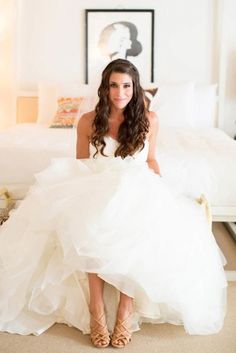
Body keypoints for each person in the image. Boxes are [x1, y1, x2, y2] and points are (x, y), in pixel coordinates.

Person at [0, 59, 227, 349]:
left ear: (135, 88)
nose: (120, 92)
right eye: (114, 86)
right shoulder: (87, 121)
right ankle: (97, 310)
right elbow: (81, 165)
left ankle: (124, 310)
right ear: (105, 88)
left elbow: (151, 158)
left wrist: (157, 183)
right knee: (92, 223)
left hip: (136, 186)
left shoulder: (150, 119)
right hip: (96, 185)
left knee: (135, 222)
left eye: (126, 86)